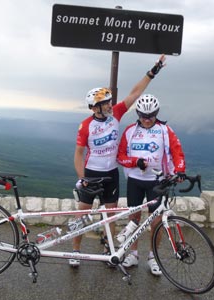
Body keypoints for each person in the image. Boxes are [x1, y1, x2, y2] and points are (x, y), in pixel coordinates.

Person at [70, 54, 167, 267]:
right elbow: (78, 153)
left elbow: (135, 93)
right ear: (95, 107)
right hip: (92, 173)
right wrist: (82, 178)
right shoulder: (85, 125)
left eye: (109, 103)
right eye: (105, 104)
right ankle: (75, 251)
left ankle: (109, 250)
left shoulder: (116, 114)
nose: (110, 106)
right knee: (82, 214)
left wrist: (152, 72)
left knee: (110, 216)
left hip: (111, 173)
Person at [117, 94, 186, 275]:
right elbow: (120, 156)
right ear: (138, 114)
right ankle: (133, 254)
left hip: (157, 182)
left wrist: (179, 170)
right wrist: (135, 162)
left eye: (151, 116)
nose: (147, 120)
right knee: (134, 220)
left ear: (156, 113)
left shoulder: (164, 130)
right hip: (135, 181)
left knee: (156, 222)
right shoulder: (130, 131)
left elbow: (177, 152)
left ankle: (153, 257)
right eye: (143, 116)